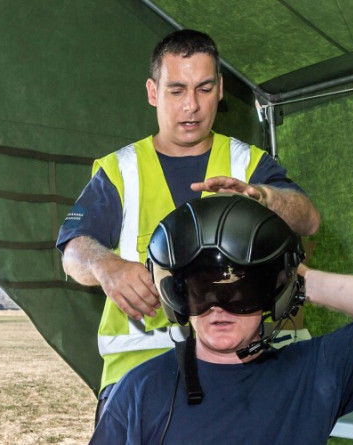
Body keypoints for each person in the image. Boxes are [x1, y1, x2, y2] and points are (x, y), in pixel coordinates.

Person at [56, 29, 321, 422]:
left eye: (204, 88)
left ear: (220, 90)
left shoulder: (249, 163)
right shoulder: (119, 171)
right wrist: (105, 266)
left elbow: (308, 218)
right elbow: (74, 249)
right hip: (140, 384)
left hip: (246, 376)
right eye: (177, 90)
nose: (191, 106)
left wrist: (263, 197)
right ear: (152, 91)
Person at [89, 193, 353, 444]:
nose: (218, 308)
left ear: (270, 294)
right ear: (179, 297)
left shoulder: (315, 370)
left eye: (238, 293)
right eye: (201, 293)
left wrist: (299, 278)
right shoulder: (139, 390)